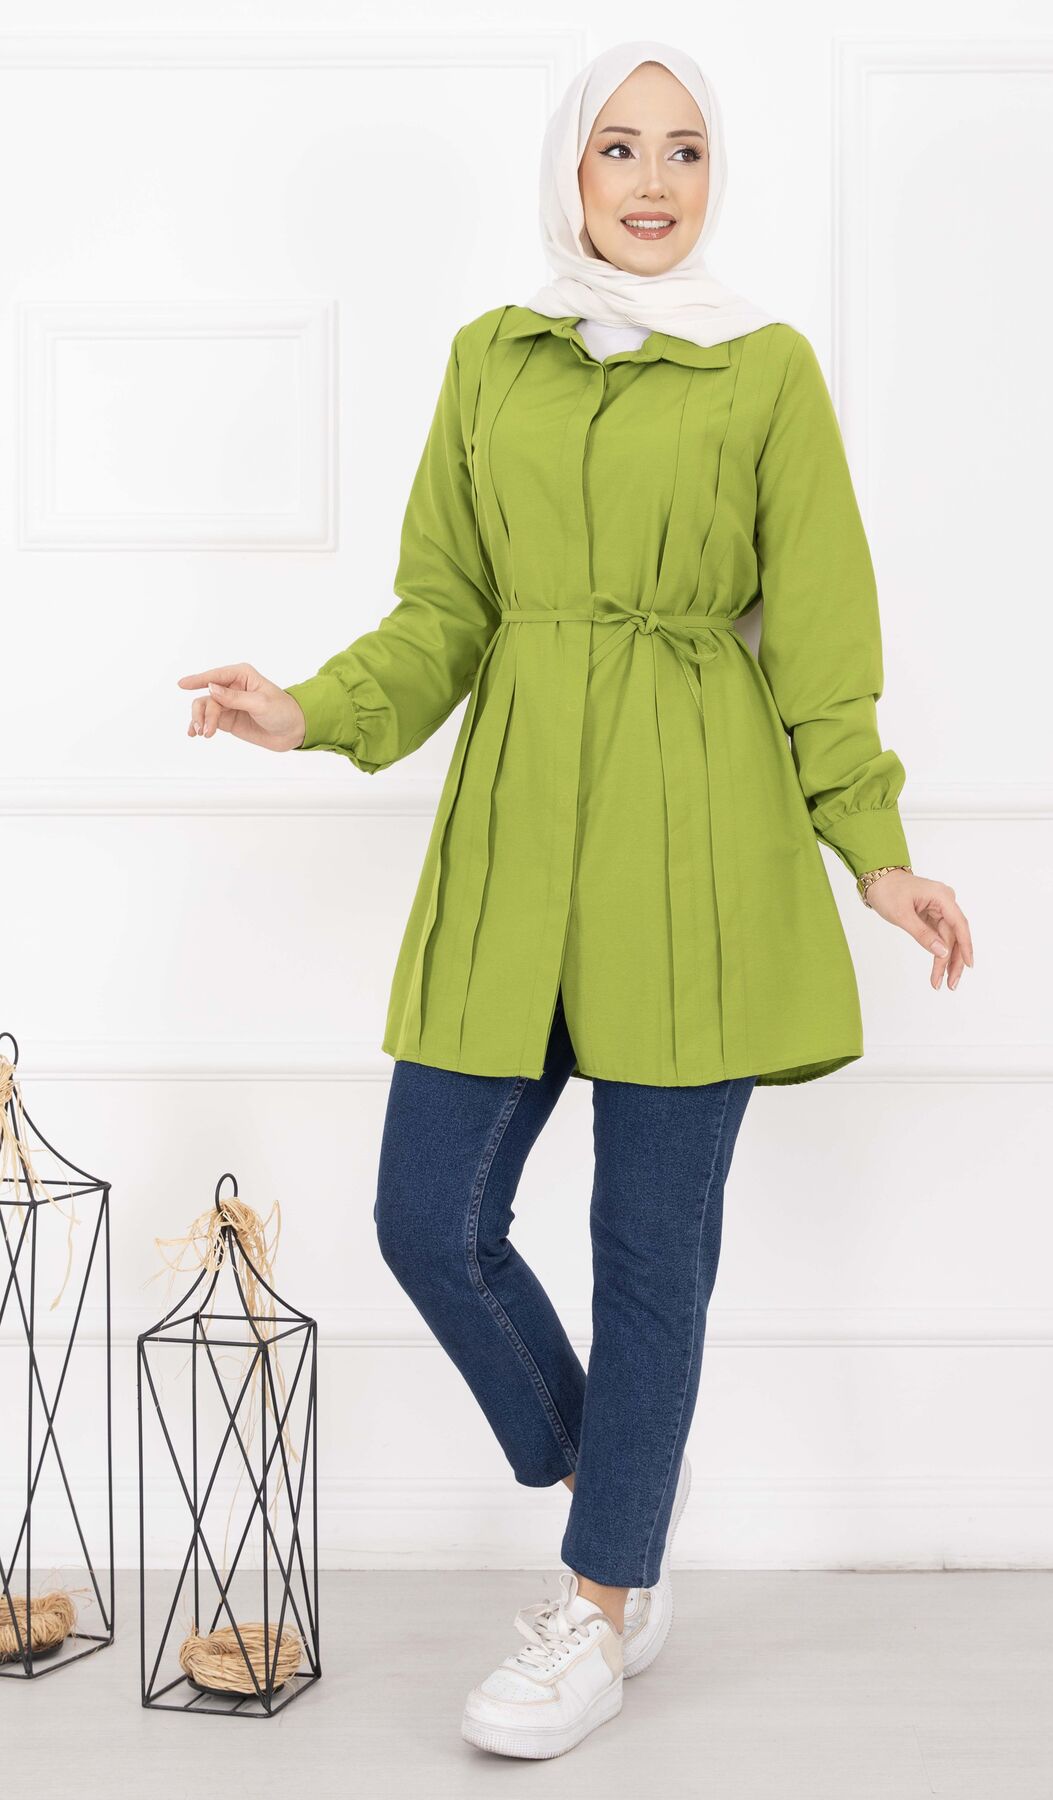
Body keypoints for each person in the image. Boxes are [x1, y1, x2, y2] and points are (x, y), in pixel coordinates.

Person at [178, 39, 973, 1762]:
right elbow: (442, 613)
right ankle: (621, 1494)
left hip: (704, 850)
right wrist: (311, 710)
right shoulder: (492, 358)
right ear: (571, 168)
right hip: (517, 840)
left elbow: (823, 646)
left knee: (648, 1256)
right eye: (621, 147)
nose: (655, 180)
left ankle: (602, 1601)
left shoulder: (767, 370)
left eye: (685, 150)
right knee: (429, 1218)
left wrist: (879, 851)